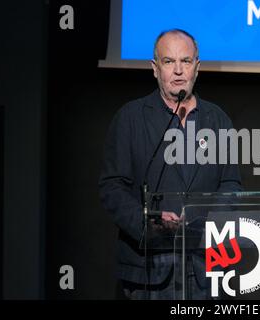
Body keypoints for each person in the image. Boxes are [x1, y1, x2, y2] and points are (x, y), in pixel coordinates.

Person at [98, 29, 242, 300]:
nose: (178, 70)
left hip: (205, 268)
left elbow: (230, 183)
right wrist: (147, 223)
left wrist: (204, 220)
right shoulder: (130, 118)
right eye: (168, 61)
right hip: (149, 271)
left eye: (185, 61)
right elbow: (112, 187)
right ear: (155, 69)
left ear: (197, 67)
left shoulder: (218, 119)